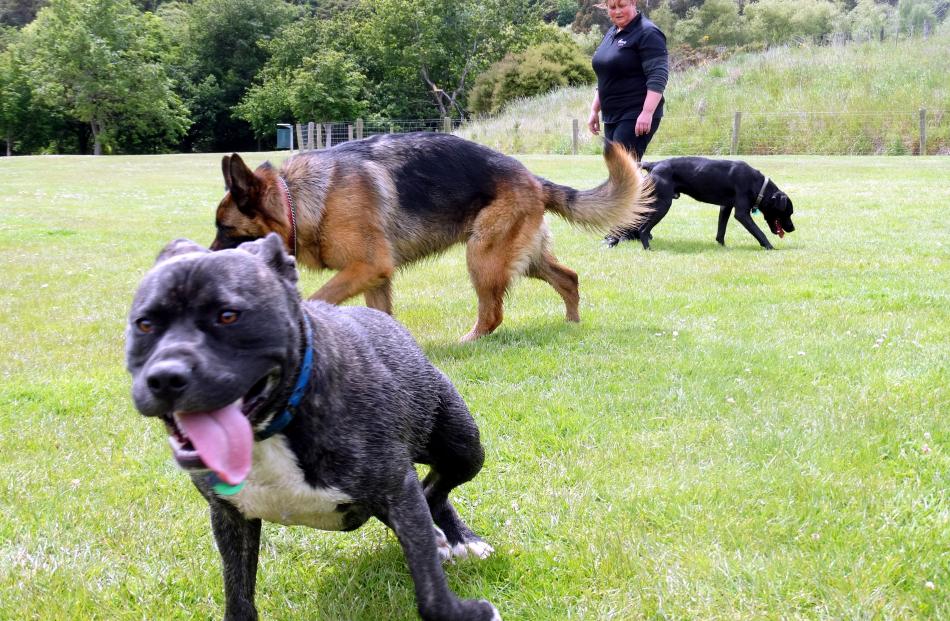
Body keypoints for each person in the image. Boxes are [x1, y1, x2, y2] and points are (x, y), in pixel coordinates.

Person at [588, 0, 669, 160]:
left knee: (623, 169)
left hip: (635, 113)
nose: (617, 11)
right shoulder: (612, 32)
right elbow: (606, 75)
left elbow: (658, 76)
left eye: (622, 6)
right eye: (612, 7)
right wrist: (594, 110)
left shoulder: (648, 32)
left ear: (633, 3)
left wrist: (647, 113)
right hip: (612, 115)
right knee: (617, 169)